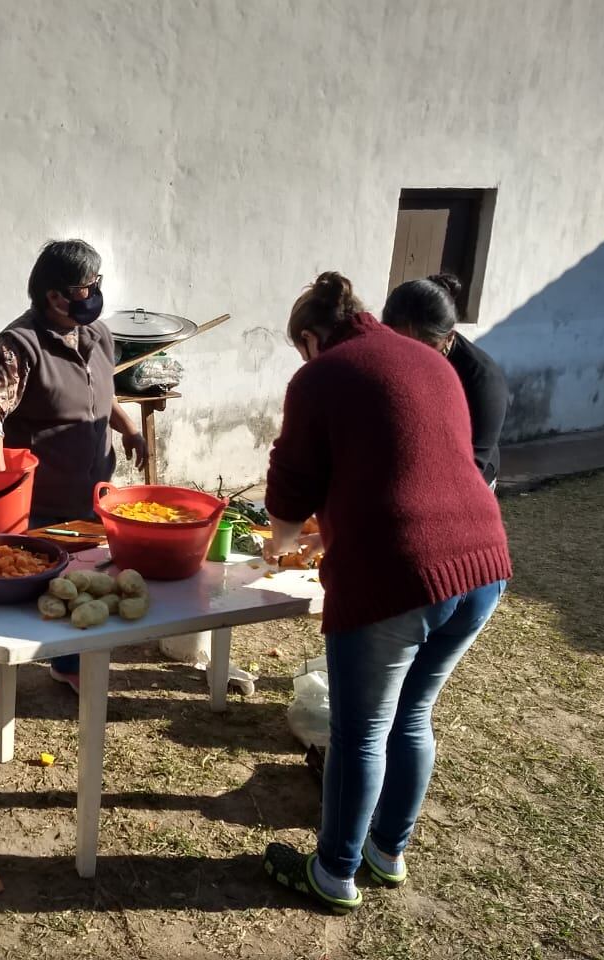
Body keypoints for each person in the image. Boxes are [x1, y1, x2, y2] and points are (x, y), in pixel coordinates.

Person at [260, 272, 511, 912]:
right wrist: (330, 538)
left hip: (401, 577)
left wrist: (282, 539)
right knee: (414, 714)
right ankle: (386, 853)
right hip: (483, 563)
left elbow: (292, 485)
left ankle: (334, 872)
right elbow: (409, 469)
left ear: (312, 338)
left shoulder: (320, 376)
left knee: (361, 732)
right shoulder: (430, 361)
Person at [0, 239, 148, 707]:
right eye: (87, 287)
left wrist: (128, 429)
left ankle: (67, 663)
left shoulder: (98, 335)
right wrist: (0, 483)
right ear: (55, 296)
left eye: (97, 284)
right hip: (36, 502)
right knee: (16, 596)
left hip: (89, 495)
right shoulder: (18, 345)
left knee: (78, 585)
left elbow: (101, 392)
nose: (96, 293)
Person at [382, 273, 510, 488]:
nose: (408, 357)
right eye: (400, 343)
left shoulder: (483, 380)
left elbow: (473, 467)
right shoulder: (379, 353)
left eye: (423, 346)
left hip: (464, 480)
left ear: (449, 337)